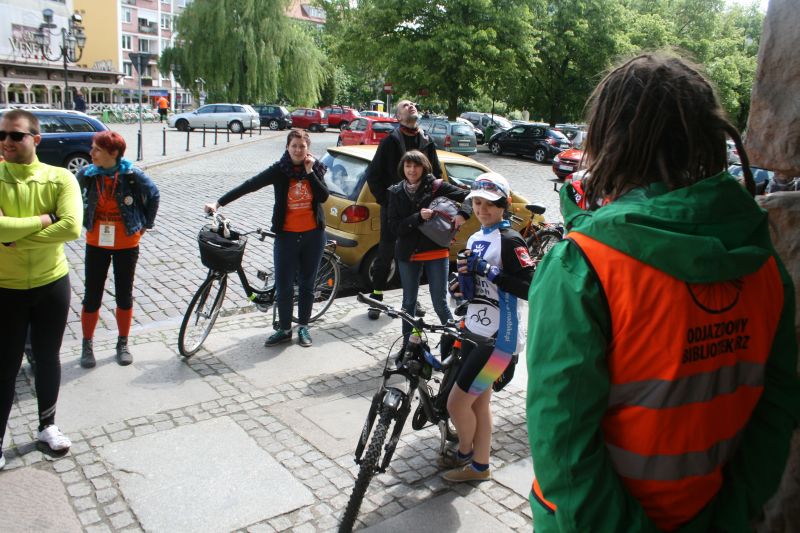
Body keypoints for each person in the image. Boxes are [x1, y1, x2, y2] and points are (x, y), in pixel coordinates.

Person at [526, 53, 800, 532]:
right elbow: (775, 414)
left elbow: (563, 447)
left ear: (611, 140)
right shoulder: (764, 263)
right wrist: (731, 515)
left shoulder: (583, 266)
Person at [0, 109, 83, 468]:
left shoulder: (60, 177)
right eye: (1, 135)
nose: (6, 142)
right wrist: (45, 220)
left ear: (36, 139)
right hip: (5, 286)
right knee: (5, 364)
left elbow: (72, 227)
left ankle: (47, 426)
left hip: (51, 282)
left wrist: (14, 236)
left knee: (48, 358)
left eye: (15, 135)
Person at [440, 172, 534, 482]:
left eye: (490, 204)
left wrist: (490, 272)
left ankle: (464, 453)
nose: (482, 209)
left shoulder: (511, 239)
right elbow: (476, 289)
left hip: (500, 339)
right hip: (475, 330)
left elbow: (531, 288)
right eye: (477, 203)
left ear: (504, 205)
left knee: (456, 404)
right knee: (479, 405)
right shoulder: (475, 238)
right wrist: (459, 288)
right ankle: (480, 467)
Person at [204, 129, 329, 347]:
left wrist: (310, 172)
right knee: (284, 286)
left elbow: (323, 196)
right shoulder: (280, 170)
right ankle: (284, 329)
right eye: (294, 146)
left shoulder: (315, 168)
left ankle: (303, 327)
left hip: (313, 236)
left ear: (307, 148)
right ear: (287, 147)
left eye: (302, 146)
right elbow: (250, 185)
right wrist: (218, 203)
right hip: (286, 236)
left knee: (307, 285)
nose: (298, 150)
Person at [365, 100, 460, 319]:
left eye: (413, 104)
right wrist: (388, 201)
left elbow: (436, 175)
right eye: (405, 105)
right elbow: (373, 175)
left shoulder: (426, 140)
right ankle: (376, 298)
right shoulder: (390, 141)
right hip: (395, 209)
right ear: (398, 117)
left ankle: (411, 300)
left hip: (421, 212)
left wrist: (433, 203)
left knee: (413, 255)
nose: (412, 106)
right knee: (385, 252)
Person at [76, 131, 160, 368]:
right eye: (92, 148)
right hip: (96, 243)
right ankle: (87, 343)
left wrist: (146, 225)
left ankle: (122, 343)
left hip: (126, 244)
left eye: (97, 149)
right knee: (92, 295)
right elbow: (69, 196)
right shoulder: (87, 174)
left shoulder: (131, 175)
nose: (91, 153)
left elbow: (154, 194)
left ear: (113, 153)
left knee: (124, 294)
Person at [387, 150, 470, 351]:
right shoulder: (396, 192)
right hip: (408, 253)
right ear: (402, 168)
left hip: (436, 250)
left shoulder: (436, 186)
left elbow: (470, 196)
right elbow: (394, 228)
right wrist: (417, 217)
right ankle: (407, 347)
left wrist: (463, 214)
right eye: (408, 166)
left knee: (440, 303)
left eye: (416, 166)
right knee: (408, 303)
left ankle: (454, 348)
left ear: (424, 167)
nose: (412, 170)